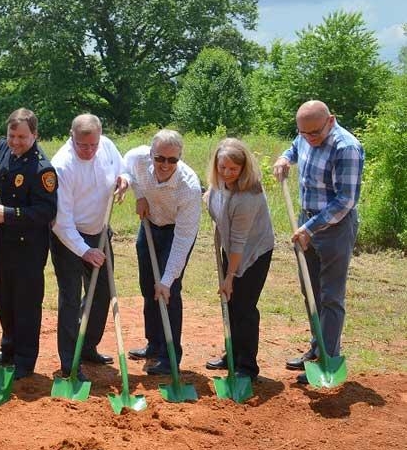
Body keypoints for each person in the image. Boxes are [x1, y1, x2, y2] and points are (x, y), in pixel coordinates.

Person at [273, 100, 364, 385]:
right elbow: (294, 146)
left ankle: (329, 357)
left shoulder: (345, 147)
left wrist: (310, 228)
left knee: (331, 295)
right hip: (305, 222)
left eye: (314, 133)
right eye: (304, 133)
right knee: (310, 290)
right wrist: (285, 158)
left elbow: (345, 200)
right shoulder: (304, 135)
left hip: (333, 227)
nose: (309, 138)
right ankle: (316, 347)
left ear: (330, 120)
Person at [0, 108, 58, 380]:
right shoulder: (3, 148)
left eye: (22, 137)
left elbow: (46, 212)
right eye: (12, 135)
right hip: (1, 244)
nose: (16, 142)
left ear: (35, 135)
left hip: (29, 248)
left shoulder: (43, 169)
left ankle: (25, 359)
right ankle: (8, 348)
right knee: (5, 300)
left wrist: (7, 214)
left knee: (26, 304)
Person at [50, 114, 129, 379]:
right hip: (69, 238)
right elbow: (61, 222)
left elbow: (121, 167)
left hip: (100, 231)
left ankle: (87, 346)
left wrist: (124, 179)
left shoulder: (105, 145)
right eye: (83, 145)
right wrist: (85, 250)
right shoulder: (62, 165)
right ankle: (69, 362)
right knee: (70, 297)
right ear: (72, 136)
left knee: (103, 292)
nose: (89, 150)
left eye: (93, 145)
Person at [123, 129, 201, 375]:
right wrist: (138, 196)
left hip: (175, 232)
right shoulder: (137, 158)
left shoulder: (189, 187)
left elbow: (184, 238)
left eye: (172, 160)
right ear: (151, 153)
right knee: (148, 287)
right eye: (159, 158)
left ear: (180, 158)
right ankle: (154, 344)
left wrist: (167, 279)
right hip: (149, 225)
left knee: (168, 292)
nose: (165, 164)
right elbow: (125, 169)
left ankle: (170, 356)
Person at [204, 138, 275, 380]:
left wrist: (230, 276)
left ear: (244, 169)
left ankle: (246, 366)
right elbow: (212, 198)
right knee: (230, 304)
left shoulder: (248, 196)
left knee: (244, 306)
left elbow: (239, 241)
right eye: (222, 167)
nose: (227, 173)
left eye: (233, 169)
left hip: (253, 252)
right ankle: (231, 354)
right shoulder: (219, 184)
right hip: (232, 247)